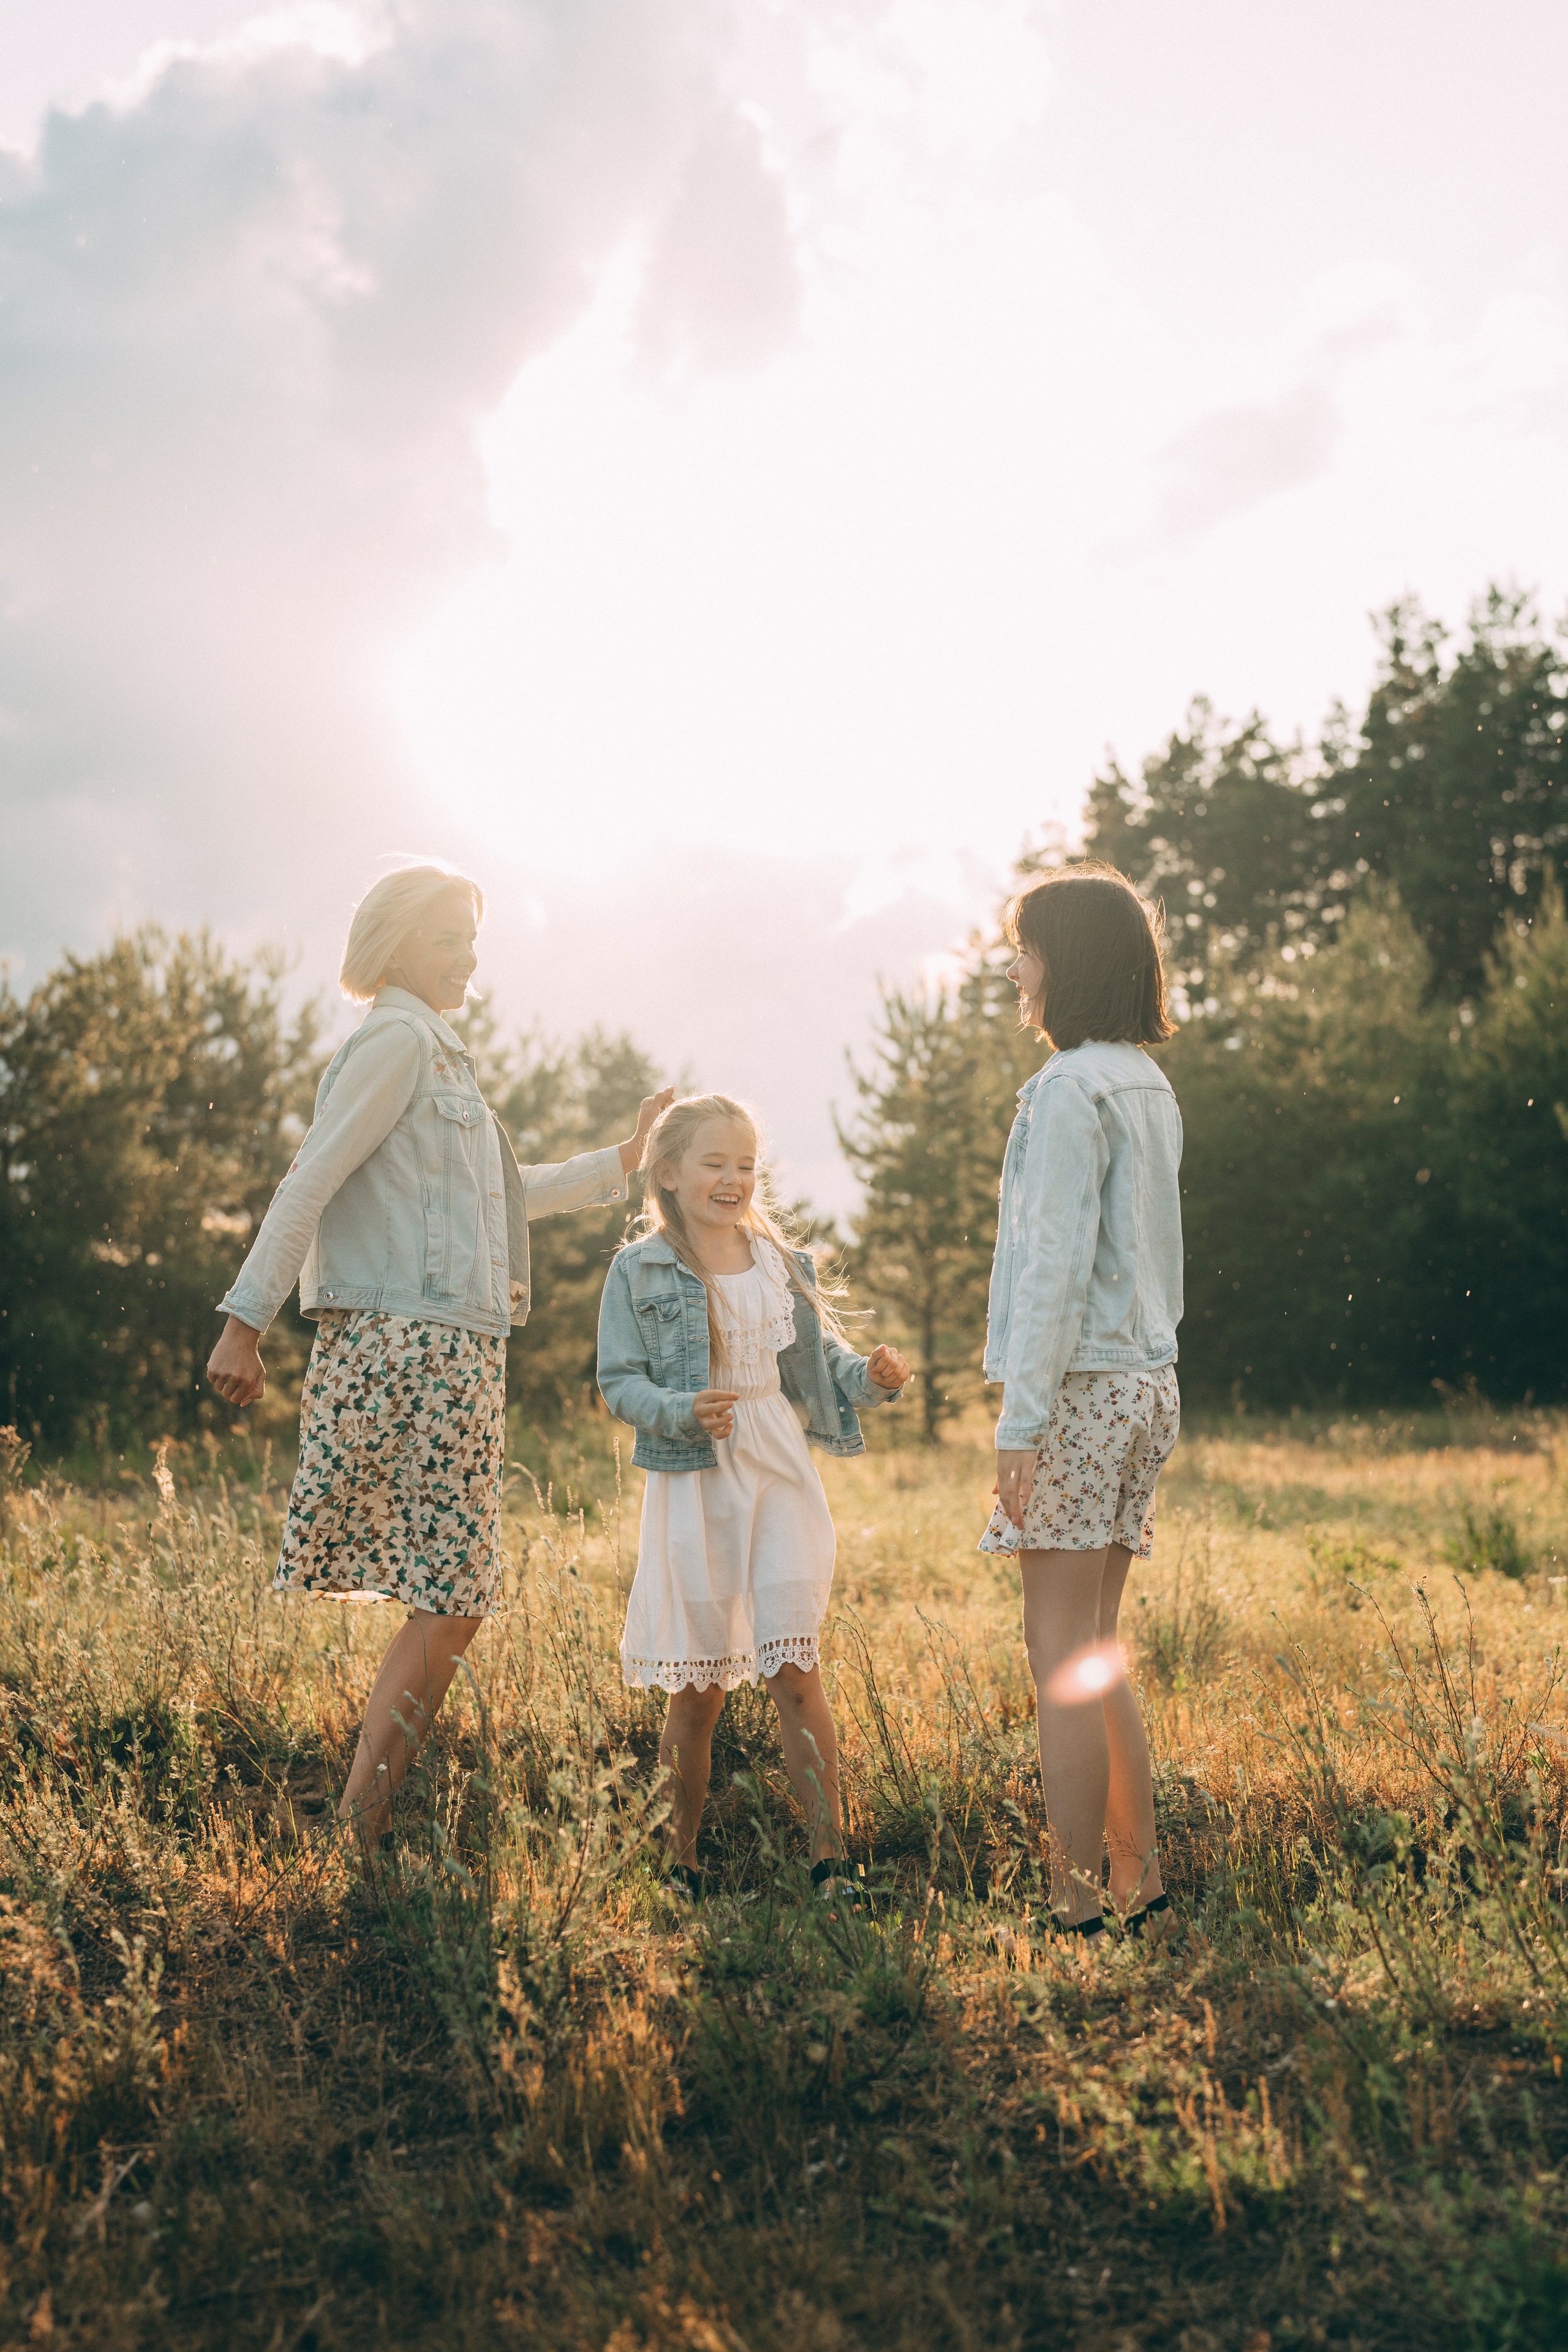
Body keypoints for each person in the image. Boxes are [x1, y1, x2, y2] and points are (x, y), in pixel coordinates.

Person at [205, 862, 673, 1845]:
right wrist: (244, 1320)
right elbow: (311, 1180)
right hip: (407, 1348)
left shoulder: (442, 1057)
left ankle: (358, 1821)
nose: (471, 956)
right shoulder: (398, 1042)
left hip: (454, 1352)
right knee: (453, 1597)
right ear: (396, 946)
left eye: (472, 937)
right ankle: (359, 1824)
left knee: (450, 1597)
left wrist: (622, 1164)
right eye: (450, 937)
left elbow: (504, 1195)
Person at [596, 1094, 909, 1899]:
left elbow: (823, 1362)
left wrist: (869, 1380)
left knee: (795, 1668)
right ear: (667, 1172)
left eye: (746, 1166)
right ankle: (680, 1867)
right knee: (697, 1691)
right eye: (715, 1163)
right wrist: (678, 1410)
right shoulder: (639, 1269)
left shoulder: (778, 1262)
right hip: (697, 1475)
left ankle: (831, 1864)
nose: (734, 1179)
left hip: (776, 1471)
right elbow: (618, 1380)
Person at [979, 863, 1183, 1939]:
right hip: (1149, 1383)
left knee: (1059, 1653)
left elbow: (1054, 1264)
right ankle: (1138, 1883)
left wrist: (1021, 1421)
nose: (1015, 966)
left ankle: (1069, 1901)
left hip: (1084, 1387)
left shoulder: (1065, 1090)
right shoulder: (1145, 1080)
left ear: (1069, 962)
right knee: (1097, 1648)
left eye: (1027, 946)